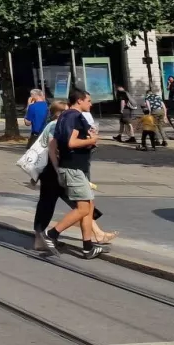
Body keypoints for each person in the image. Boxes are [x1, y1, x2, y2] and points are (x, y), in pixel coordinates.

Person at [45, 86, 103, 259]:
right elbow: (71, 143)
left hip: (74, 167)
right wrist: (92, 139)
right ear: (80, 100)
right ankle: (52, 234)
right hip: (74, 168)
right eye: (89, 101)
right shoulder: (75, 116)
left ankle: (87, 247)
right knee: (83, 208)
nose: (91, 104)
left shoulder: (64, 116)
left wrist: (89, 140)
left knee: (89, 207)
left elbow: (59, 141)